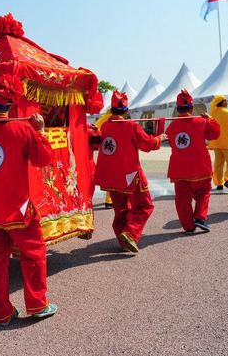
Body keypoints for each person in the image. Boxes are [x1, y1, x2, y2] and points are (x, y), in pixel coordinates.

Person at [0, 73, 57, 326]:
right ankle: (37, 304)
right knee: (34, 252)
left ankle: (1, 312)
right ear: (11, 105)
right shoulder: (22, 129)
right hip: (18, 207)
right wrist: (40, 131)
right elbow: (44, 158)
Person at [94, 91, 165, 253]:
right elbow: (147, 144)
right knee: (144, 205)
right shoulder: (132, 126)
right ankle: (130, 233)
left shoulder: (105, 126)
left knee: (121, 210)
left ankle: (123, 239)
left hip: (110, 176)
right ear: (126, 111)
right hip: (130, 174)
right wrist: (160, 138)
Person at [165, 90, 220, 234]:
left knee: (182, 199)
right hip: (200, 166)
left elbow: (171, 142)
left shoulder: (171, 127)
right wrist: (210, 120)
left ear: (177, 109)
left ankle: (188, 226)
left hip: (179, 168)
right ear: (191, 108)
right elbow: (215, 134)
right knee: (203, 193)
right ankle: (200, 217)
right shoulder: (201, 121)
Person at [208, 95, 228, 191]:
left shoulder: (212, 114)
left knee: (218, 164)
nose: (227, 102)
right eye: (226, 101)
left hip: (216, 143)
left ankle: (219, 183)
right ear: (223, 102)